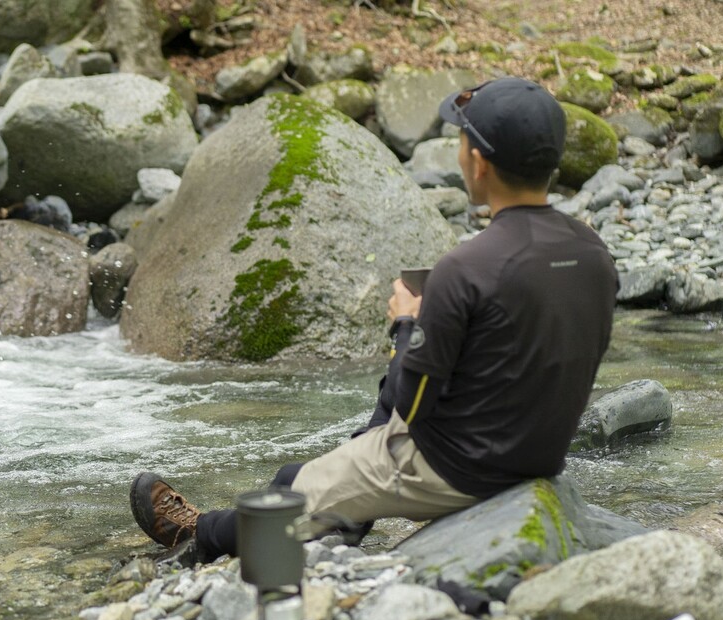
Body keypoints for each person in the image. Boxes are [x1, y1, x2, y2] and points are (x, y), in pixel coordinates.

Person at [128, 77, 619, 564]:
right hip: (537, 456)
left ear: (478, 162)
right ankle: (349, 508)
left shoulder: (466, 269)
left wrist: (406, 325)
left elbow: (413, 405)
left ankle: (200, 536)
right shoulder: (593, 254)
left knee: (292, 488)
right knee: (340, 454)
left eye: (461, 140)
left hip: (459, 470)